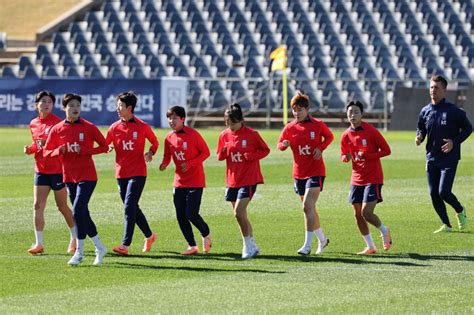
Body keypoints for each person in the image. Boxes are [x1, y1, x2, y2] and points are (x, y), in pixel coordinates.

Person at [44, 93, 108, 266]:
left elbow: (104, 147)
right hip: (69, 176)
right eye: (71, 105)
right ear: (64, 108)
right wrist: (59, 151)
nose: (75, 108)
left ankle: (79, 252)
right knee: (83, 214)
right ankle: (99, 247)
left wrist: (86, 150)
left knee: (78, 210)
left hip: (88, 176)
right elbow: (46, 152)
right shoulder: (57, 129)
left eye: (78, 105)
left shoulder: (89, 127)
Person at [277, 91, 333, 255]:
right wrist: (284, 144)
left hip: (315, 171)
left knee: (307, 206)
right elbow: (279, 144)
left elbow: (329, 137)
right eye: (294, 109)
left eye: (300, 109)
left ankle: (307, 245)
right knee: (309, 209)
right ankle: (322, 239)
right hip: (299, 173)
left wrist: (320, 148)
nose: (297, 113)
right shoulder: (290, 127)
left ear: (307, 109)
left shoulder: (317, 124)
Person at [416, 75, 472, 233]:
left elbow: (468, 129)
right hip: (431, 157)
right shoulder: (425, 111)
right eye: (431, 87)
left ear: (444, 90)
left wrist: (455, 142)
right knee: (434, 193)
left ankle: (460, 210)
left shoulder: (453, 110)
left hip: (449, 158)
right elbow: (421, 127)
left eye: (437, 87)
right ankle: (446, 225)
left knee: (444, 192)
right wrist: (419, 136)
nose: (433, 90)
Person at [24, 90, 76, 255]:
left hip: (57, 171)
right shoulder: (33, 123)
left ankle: (74, 237)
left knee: (62, 206)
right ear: (36, 104)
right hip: (40, 170)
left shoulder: (58, 123)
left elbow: (64, 146)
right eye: (44, 101)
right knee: (37, 205)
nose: (47, 104)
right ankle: (39, 243)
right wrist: (30, 149)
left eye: (50, 102)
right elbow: (36, 144)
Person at [106, 91, 158, 255]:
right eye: (117, 105)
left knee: (129, 207)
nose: (118, 108)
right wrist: (108, 147)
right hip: (121, 173)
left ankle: (125, 245)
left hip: (138, 173)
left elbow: (155, 142)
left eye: (121, 105)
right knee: (132, 207)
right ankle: (149, 236)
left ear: (130, 107)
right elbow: (105, 144)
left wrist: (150, 152)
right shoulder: (114, 128)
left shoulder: (142, 126)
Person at [216, 103, 270, 259]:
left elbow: (265, 150)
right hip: (232, 179)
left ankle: (246, 247)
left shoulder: (252, 134)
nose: (230, 126)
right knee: (240, 216)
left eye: (232, 123)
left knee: (239, 212)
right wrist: (223, 152)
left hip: (249, 178)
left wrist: (251, 156)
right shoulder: (224, 135)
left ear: (241, 120)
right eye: (227, 123)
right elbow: (219, 155)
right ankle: (252, 245)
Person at [340, 100, 392, 255]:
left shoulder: (371, 131)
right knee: (357, 214)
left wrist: (369, 155)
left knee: (366, 212)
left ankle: (384, 230)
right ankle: (370, 246)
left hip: (373, 177)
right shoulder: (345, 135)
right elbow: (343, 155)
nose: (353, 115)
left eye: (356, 112)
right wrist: (346, 158)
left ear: (361, 114)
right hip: (356, 178)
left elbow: (386, 150)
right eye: (350, 112)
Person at [159, 106, 212, 255]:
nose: (171, 121)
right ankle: (192, 246)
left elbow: (206, 153)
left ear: (183, 119)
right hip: (179, 182)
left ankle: (206, 233)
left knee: (191, 213)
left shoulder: (193, 134)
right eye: (169, 118)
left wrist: (190, 164)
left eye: (175, 118)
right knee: (180, 215)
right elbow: (167, 155)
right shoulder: (168, 137)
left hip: (195, 180)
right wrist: (164, 164)